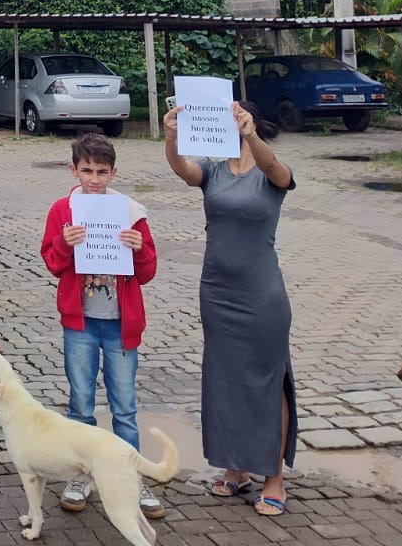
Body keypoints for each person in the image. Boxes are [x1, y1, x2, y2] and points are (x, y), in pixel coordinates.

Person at [166, 100, 297, 518]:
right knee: (225, 381)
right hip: (217, 292)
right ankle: (236, 467)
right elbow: (183, 170)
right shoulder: (213, 170)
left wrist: (251, 135)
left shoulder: (271, 173)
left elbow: (275, 168)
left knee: (267, 382)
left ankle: (273, 477)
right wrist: (171, 138)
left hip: (261, 295)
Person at [40, 133, 164, 520]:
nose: (94, 179)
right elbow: (53, 263)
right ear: (73, 170)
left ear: (114, 173)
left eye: (102, 172)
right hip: (80, 322)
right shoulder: (63, 210)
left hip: (121, 325)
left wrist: (139, 249)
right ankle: (81, 476)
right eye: (87, 170)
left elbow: (148, 272)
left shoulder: (131, 212)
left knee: (124, 406)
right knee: (80, 403)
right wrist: (64, 243)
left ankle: (132, 478)